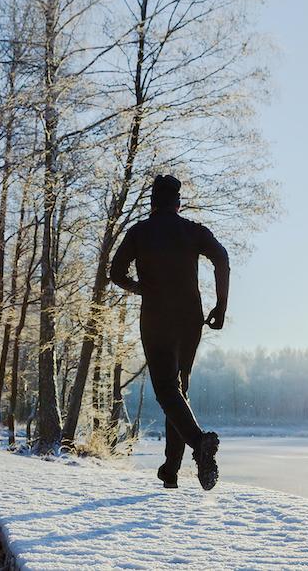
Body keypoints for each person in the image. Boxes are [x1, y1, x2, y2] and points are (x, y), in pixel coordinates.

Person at [109, 174, 229, 490]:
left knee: (166, 389)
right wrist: (221, 306)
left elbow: (115, 273)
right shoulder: (193, 231)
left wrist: (138, 287)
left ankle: (199, 443)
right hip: (190, 318)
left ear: (152, 203)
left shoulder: (140, 232)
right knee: (178, 390)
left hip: (156, 316)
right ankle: (171, 471)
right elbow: (222, 259)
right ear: (177, 203)